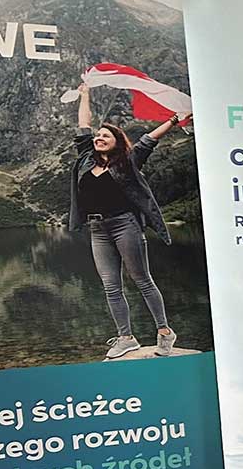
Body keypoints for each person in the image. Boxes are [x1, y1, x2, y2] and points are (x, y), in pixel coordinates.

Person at [71, 82, 183, 360]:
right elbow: (83, 125)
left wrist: (173, 120)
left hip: (125, 225)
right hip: (97, 230)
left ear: (117, 141)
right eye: (98, 135)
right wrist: (85, 95)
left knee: (142, 280)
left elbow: (148, 140)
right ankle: (126, 337)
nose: (99, 137)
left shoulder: (128, 161)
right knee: (111, 286)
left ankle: (165, 332)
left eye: (105, 135)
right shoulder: (86, 158)